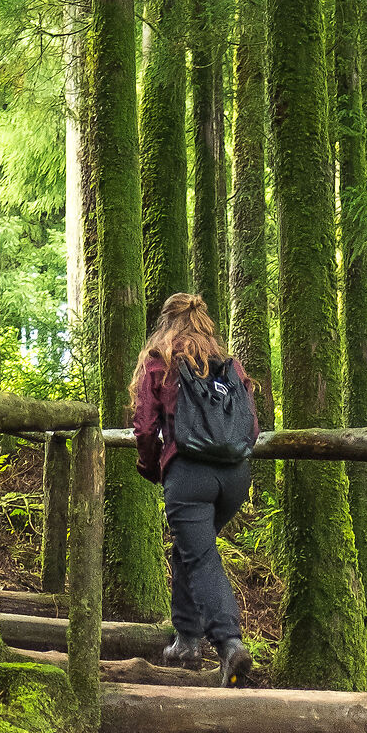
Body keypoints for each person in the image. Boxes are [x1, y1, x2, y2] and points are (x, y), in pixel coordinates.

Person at [130, 292, 258, 684]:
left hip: (189, 475)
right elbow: (251, 427)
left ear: (165, 323)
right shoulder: (227, 366)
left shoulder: (159, 362)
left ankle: (229, 644)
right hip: (234, 476)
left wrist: (152, 467)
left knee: (200, 556)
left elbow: (145, 427)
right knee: (190, 550)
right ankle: (186, 639)